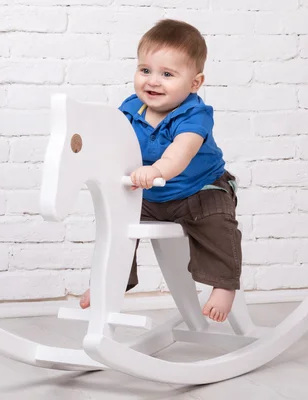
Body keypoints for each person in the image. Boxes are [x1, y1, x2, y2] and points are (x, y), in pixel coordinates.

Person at [80, 19, 242, 323]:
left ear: (195, 83)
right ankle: (107, 284)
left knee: (218, 223)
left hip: (200, 190)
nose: (152, 81)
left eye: (167, 74)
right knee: (117, 224)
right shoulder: (130, 109)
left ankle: (224, 285)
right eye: (145, 70)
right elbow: (111, 140)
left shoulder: (195, 115)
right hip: (151, 197)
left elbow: (179, 155)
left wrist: (155, 170)